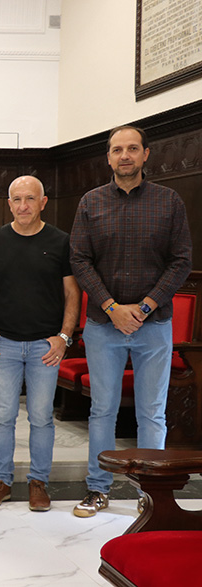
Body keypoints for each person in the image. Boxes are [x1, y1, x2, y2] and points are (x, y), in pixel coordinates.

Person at [70, 125, 192, 517]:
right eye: (117, 149)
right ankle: (98, 488)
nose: (124, 155)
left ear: (145, 155)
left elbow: (181, 261)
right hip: (103, 325)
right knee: (101, 409)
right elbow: (80, 260)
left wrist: (143, 308)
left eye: (132, 149)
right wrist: (111, 307)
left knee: (151, 411)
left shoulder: (168, 201)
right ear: (108, 157)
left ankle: (151, 493)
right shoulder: (90, 202)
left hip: (153, 325)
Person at [0, 175, 80, 512]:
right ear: (9, 204)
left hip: (45, 348)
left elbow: (71, 292)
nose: (23, 206)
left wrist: (64, 337)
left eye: (30, 199)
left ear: (43, 202)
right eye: (17, 200)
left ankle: (38, 482)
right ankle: (2, 480)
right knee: (3, 417)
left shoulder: (62, 241)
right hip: (3, 343)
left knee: (41, 418)